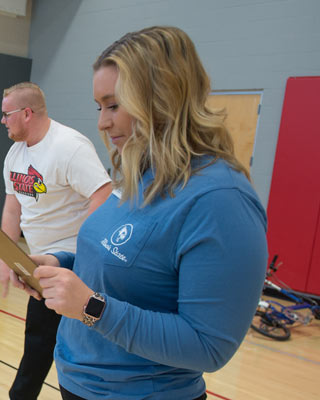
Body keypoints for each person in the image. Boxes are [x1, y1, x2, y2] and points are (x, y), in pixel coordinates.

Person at [23, 26, 268, 399]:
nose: (103, 123)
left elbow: (208, 346)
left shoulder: (221, 200)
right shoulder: (140, 174)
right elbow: (126, 266)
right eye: (99, 107)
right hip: (79, 383)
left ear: (163, 97)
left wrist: (91, 307)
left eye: (114, 105)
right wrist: (63, 264)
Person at [0, 82, 112, 399]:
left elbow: (103, 194)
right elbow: (12, 206)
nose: (3, 121)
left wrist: (85, 254)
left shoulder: (69, 146)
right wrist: (5, 256)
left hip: (75, 268)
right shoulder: (15, 153)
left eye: (7, 114)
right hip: (43, 265)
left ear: (27, 113)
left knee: (74, 349)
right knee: (38, 340)